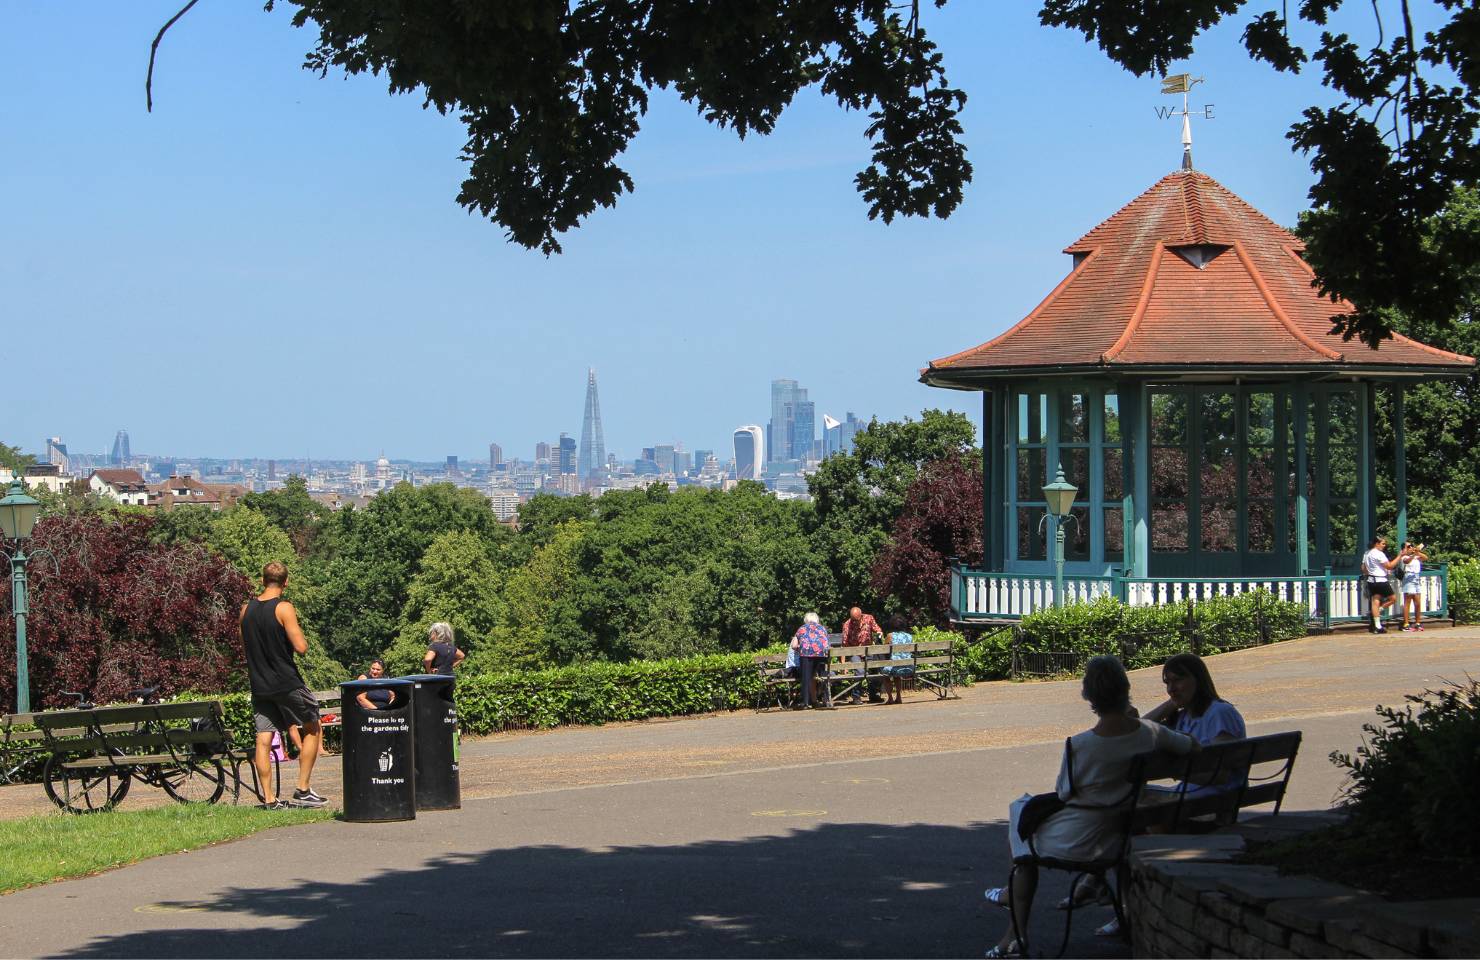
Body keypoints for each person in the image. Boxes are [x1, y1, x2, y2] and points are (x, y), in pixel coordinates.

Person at [981, 656, 1196, 958]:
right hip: (1119, 836)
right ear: (1126, 690)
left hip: (1080, 840)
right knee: (1023, 819)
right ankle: (1011, 908)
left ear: (1090, 696)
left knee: (1021, 823)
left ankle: (1015, 929)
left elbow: (1065, 793)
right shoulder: (1150, 733)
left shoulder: (1080, 745)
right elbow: (1191, 746)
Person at [241, 561, 327, 809]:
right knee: (312, 727)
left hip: (260, 686)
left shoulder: (246, 609)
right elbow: (301, 647)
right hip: (286, 683)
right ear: (286, 582)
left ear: (262, 579)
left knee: (263, 739)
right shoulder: (284, 607)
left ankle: (269, 799)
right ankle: (302, 788)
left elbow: (244, 644)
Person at [840, 606, 885, 704]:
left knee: (875, 670)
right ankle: (856, 697)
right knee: (859, 672)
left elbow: (878, 629)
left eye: (857, 619)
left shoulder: (869, 618)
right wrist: (843, 665)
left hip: (868, 650)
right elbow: (844, 645)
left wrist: (879, 634)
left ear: (861, 615)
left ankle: (874, 695)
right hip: (854, 651)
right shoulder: (847, 625)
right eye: (853, 620)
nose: (855, 622)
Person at [1361, 535, 1403, 633]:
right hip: (1380, 580)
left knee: (1375, 601)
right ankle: (1380, 610)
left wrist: (1371, 572)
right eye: (1383, 543)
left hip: (1371, 580)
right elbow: (1389, 566)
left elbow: (1364, 568)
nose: (1384, 546)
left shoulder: (1367, 553)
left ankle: (1377, 626)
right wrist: (1399, 556)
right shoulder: (1379, 554)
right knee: (1393, 599)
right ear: (1377, 544)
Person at [790, 612, 831, 709]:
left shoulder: (802, 628)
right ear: (817, 619)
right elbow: (827, 644)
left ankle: (805, 702)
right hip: (822, 656)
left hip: (806, 655)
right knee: (822, 676)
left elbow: (794, 645)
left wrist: (800, 648)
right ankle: (826, 699)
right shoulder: (822, 628)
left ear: (806, 620)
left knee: (806, 677)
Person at [881, 614, 915, 705]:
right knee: (897, 674)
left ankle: (890, 698)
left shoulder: (890, 636)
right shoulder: (909, 636)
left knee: (885, 673)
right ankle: (899, 697)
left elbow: (884, 649)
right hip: (909, 667)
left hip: (895, 667)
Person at [1398, 541, 1430, 631]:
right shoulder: (1403, 557)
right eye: (1409, 546)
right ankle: (1406, 624)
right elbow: (1407, 561)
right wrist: (1413, 555)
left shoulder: (1415, 556)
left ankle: (1417, 623)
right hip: (1408, 578)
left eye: (1412, 546)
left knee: (1417, 602)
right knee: (1407, 601)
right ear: (1404, 549)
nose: (1411, 547)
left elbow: (1425, 558)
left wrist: (1417, 551)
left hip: (1416, 578)